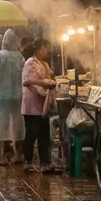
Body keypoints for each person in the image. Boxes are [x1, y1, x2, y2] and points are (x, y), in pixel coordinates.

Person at [0, 30, 26, 161]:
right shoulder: (19, 57)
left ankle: (2, 155)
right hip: (16, 95)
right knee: (17, 123)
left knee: (1, 123)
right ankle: (18, 154)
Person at [21, 38, 58, 173]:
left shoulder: (44, 64)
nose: (48, 50)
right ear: (39, 48)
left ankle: (45, 163)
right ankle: (28, 162)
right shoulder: (30, 63)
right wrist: (45, 84)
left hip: (43, 106)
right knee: (31, 134)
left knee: (43, 135)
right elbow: (27, 81)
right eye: (46, 47)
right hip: (32, 106)